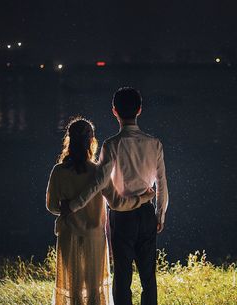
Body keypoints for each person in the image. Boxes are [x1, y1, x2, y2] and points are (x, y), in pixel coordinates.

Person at [61, 87, 169, 305]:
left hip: (122, 216)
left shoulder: (112, 144)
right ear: (139, 110)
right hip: (147, 213)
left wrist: (74, 205)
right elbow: (162, 183)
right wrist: (160, 214)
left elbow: (98, 182)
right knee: (149, 276)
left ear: (114, 112)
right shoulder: (154, 144)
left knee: (122, 275)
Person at [46, 117, 154, 305]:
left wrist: (67, 207)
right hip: (94, 237)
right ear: (91, 141)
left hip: (68, 235)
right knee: (94, 288)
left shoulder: (58, 171)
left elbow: (52, 206)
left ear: (69, 140)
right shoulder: (98, 173)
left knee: (72, 288)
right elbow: (118, 204)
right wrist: (143, 198)